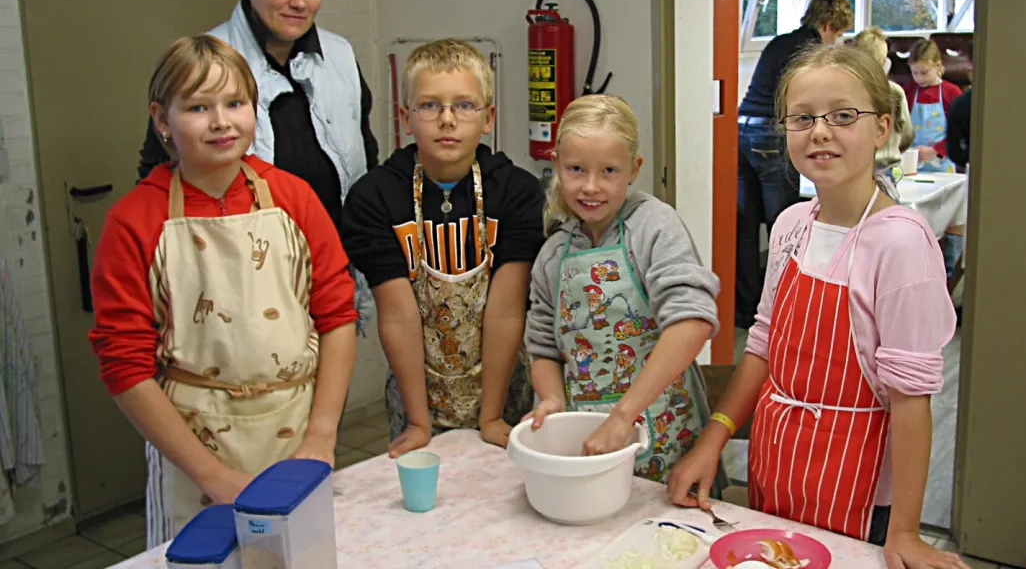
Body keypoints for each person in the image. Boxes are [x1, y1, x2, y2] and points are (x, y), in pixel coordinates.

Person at [668, 45, 967, 569]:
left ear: (882, 128)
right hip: (778, 461)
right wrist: (712, 440)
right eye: (802, 117)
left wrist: (907, 533)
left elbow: (911, 399)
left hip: (860, 481)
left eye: (843, 115)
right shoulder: (790, 225)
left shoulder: (900, 243)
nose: (820, 131)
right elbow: (761, 346)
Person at [90, 36, 358, 547]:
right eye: (198, 107)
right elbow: (124, 364)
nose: (221, 122)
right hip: (193, 446)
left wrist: (321, 435)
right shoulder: (134, 220)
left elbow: (337, 317)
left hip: (297, 433)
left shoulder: (293, 198)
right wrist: (211, 475)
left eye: (235, 104)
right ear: (162, 119)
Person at [340, 39, 544, 456]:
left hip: (503, 391)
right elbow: (398, 315)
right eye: (430, 106)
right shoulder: (374, 197)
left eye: (464, 106)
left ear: (488, 118)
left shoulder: (517, 192)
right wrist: (418, 420)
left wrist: (490, 416)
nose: (447, 120)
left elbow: (506, 310)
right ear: (405, 117)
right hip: (416, 391)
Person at [520, 95, 724, 488]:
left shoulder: (653, 227)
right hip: (586, 437)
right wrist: (552, 402)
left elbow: (692, 321)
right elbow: (543, 347)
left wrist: (622, 415)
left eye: (609, 170)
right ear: (557, 167)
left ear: (634, 169)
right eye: (576, 169)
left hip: (665, 434)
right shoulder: (552, 253)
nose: (591, 186)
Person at [137, 0, 378, 228]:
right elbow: (155, 174)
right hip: (244, 262)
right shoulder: (200, 63)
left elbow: (367, 159)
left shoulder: (340, 55)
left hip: (338, 261)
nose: (300, 2)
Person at [735, 0, 853, 329]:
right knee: (783, 225)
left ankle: (745, 311)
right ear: (829, 25)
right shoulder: (810, 51)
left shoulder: (779, 41)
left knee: (745, 229)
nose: (836, 42)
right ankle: (785, 308)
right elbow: (804, 100)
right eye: (839, 34)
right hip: (771, 136)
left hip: (742, 131)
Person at [854, 27, 914, 170]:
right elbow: (907, 134)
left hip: (856, 167)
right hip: (888, 167)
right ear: (883, 61)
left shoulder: (845, 91)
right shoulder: (895, 91)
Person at [904, 38, 963, 173]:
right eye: (915, 73)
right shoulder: (908, 91)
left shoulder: (952, 92)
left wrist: (936, 150)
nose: (919, 78)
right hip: (912, 163)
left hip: (942, 164)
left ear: (937, 66)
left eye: (924, 73)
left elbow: (958, 133)